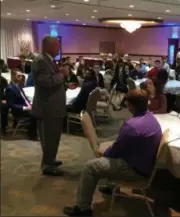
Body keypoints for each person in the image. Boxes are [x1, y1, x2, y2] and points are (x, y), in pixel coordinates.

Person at [63, 89, 162, 216]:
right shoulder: (152, 119)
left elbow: (115, 151)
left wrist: (103, 152)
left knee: (90, 167)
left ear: (130, 106)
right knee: (109, 156)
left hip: (135, 170)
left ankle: (83, 209)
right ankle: (110, 187)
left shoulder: (131, 126)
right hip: (146, 165)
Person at [32, 36, 69, 176]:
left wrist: (64, 83)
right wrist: (62, 74)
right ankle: (47, 166)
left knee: (53, 137)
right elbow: (46, 82)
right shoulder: (41, 61)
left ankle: (50, 160)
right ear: (48, 46)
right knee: (48, 138)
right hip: (47, 107)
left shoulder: (48, 60)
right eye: (56, 45)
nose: (58, 48)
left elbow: (53, 80)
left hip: (53, 107)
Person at [5, 70, 37, 140]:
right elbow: (10, 105)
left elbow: (24, 98)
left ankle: (34, 130)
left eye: (21, 76)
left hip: (26, 107)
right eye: (18, 76)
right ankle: (32, 134)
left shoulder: (18, 85)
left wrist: (30, 103)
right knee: (36, 114)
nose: (20, 78)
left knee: (40, 109)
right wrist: (25, 108)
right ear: (13, 76)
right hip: (18, 110)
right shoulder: (10, 88)